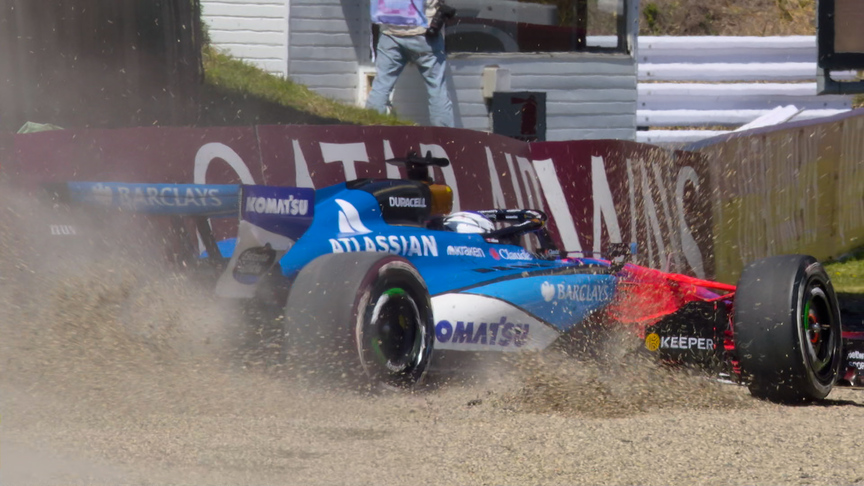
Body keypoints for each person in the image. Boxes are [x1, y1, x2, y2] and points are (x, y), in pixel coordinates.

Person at [366, 0, 455, 128]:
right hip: (425, 32)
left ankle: (368, 132)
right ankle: (446, 139)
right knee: (437, 88)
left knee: (381, 86)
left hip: (390, 30)